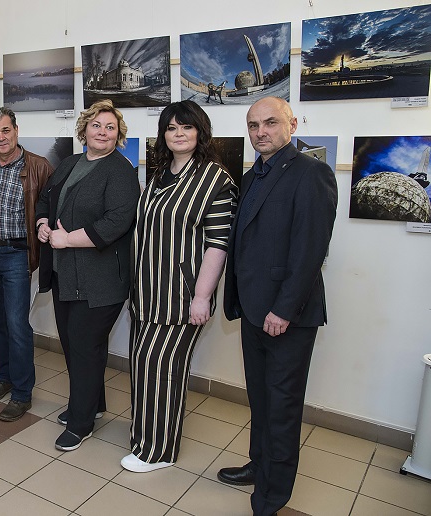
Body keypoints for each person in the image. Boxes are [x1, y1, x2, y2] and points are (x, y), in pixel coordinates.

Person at [217, 97, 337, 516]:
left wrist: (284, 309)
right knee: (261, 398)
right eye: (253, 125)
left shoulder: (311, 173)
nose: (260, 132)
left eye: (270, 122)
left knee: (282, 405)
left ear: (292, 124)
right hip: (253, 310)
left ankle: (273, 496)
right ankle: (259, 466)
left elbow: (310, 250)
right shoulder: (252, 176)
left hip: (288, 315)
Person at [123, 101, 237, 473]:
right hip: (145, 292)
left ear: (200, 131)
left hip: (180, 296)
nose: (179, 134)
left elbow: (218, 244)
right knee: (143, 365)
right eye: (171, 128)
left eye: (186, 127)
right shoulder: (159, 174)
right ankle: (143, 438)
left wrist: (202, 297)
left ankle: (158, 452)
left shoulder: (216, 179)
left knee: (163, 369)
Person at [35, 99, 140, 451]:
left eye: (111, 127)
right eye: (97, 125)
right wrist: (43, 223)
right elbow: (45, 198)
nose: (103, 132)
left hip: (100, 281)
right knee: (74, 344)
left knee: (84, 347)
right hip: (66, 275)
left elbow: (116, 222)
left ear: (118, 135)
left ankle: (81, 423)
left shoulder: (121, 171)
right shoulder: (69, 163)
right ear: (84, 130)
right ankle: (92, 405)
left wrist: (67, 240)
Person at [0, 107, 53, 422]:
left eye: (5, 130)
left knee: (17, 325)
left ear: (16, 129)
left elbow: (50, 210)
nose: (1, 138)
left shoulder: (39, 167)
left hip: (16, 255)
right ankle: (3, 377)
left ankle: (21, 393)